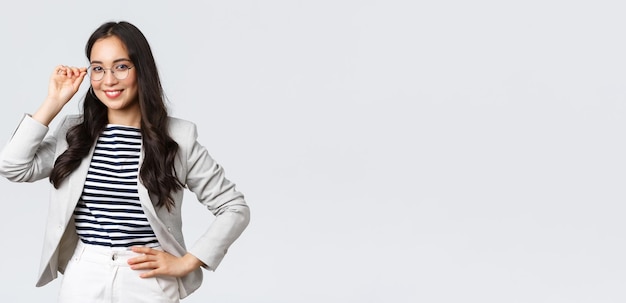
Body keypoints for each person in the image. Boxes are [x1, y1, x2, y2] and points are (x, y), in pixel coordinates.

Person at [0, 21, 250, 303]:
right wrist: (54, 101)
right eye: (98, 68)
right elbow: (12, 166)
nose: (108, 80)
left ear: (141, 70)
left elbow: (234, 207)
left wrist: (189, 260)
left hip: (147, 279)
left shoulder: (178, 138)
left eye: (121, 66)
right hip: (85, 273)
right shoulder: (74, 134)